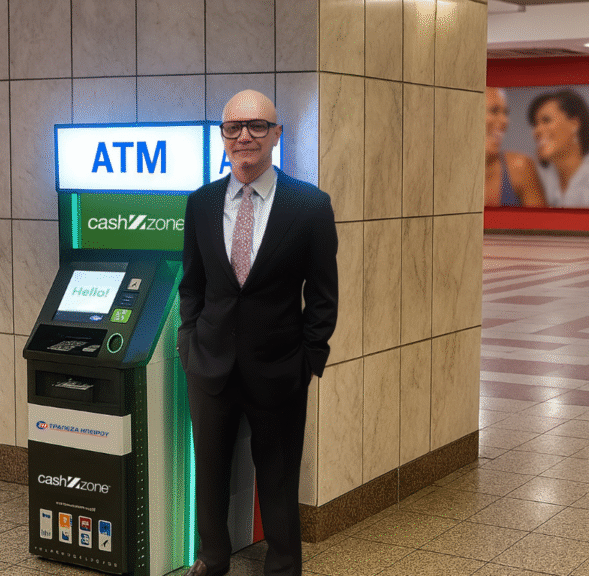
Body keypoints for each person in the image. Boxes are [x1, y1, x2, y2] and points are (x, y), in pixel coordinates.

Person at [177, 89, 339, 576]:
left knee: (278, 475)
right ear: (222, 137)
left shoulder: (309, 206)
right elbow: (193, 285)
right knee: (210, 471)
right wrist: (189, 343)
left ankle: (284, 564)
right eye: (233, 127)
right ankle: (213, 556)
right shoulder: (201, 203)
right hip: (210, 364)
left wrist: (309, 359)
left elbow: (324, 294)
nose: (244, 136)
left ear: (276, 135)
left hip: (280, 367)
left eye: (257, 126)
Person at [484, 87, 546, 207]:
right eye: (494, 111)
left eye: (505, 113)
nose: (505, 121)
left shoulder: (520, 167)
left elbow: (541, 224)